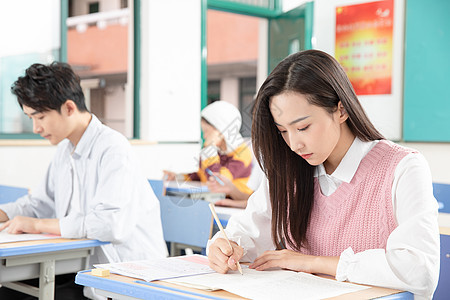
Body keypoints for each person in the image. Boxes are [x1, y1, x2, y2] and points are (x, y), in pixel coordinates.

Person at [207, 50, 440, 299]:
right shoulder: (289, 170)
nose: (294, 144)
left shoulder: (403, 167)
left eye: (303, 127)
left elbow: (420, 270)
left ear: (340, 110)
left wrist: (313, 262)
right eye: (283, 131)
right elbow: (250, 235)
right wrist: (225, 245)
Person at [0, 62, 168, 299]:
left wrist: (37, 225)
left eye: (40, 117)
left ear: (69, 108)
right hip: (84, 268)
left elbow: (108, 225)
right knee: (8, 291)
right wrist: (4, 213)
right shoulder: (65, 150)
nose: (36, 128)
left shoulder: (113, 148)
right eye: (31, 118)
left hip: (126, 275)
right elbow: (39, 203)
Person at [164, 101, 257, 206]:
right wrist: (178, 177)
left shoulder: (242, 153)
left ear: (220, 131)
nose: (204, 137)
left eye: (206, 132)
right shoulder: (216, 152)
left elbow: (215, 181)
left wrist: (209, 149)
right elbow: (200, 176)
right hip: (217, 203)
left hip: (236, 207)